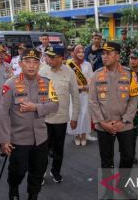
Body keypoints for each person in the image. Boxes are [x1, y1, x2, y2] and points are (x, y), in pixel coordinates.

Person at [0, 48, 59, 200]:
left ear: (40, 64)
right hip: (18, 138)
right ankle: (13, 187)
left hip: (41, 138)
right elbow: (3, 113)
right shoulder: (10, 84)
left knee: (38, 171)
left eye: (35, 62)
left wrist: (36, 107)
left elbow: (55, 105)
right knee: (18, 171)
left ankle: (33, 195)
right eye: (27, 61)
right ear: (20, 63)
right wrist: (4, 140)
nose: (31, 65)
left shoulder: (47, 83)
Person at [89, 42, 138, 200]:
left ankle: (122, 184)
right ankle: (108, 190)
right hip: (104, 125)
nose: (104, 56)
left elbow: (134, 99)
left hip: (125, 124)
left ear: (117, 55)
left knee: (128, 156)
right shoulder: (97, 75)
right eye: (103, 53)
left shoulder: (130, 74)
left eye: (108, 53)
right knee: (107, 159)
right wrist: (103, 122)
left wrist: (124, 121)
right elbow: (93, 101)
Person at [39, 45, 80, 183]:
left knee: (58, 149)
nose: (48, 59)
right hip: (44, 117)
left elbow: (75, 96)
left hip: (60, 118)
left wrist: (74, 117)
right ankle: (41, 172)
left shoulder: (69, 73)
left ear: (61, 58)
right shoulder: (42, 71)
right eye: (48, 56)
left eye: (52, 57)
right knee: (43, 148)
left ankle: (55, 171)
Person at [66, 45, 94, 146]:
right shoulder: (69, 64)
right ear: (74, 53)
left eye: (82, 52)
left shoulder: (88, 65)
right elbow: (67, 80)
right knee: (75, 114)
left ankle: (83, 134)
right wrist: (76, 87)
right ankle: (76, 135)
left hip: (85, 94)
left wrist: (86, 87)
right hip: (74, 94)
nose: (81, 54)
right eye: (78, 52)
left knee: (85, 114)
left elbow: (91, 78)